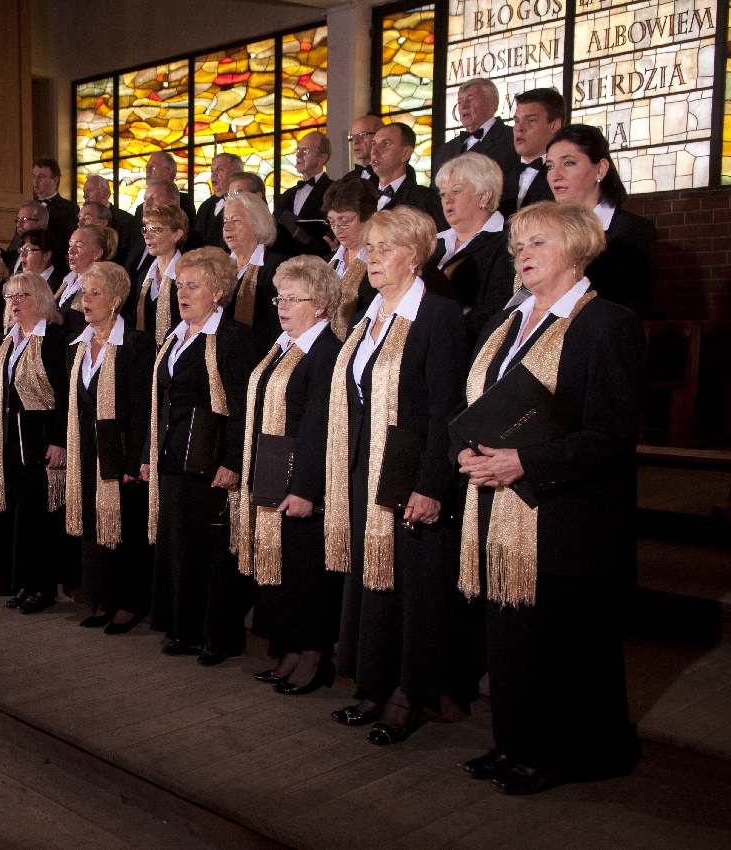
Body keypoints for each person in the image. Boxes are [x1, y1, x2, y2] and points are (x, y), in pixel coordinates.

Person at [455, 201, 643, 795]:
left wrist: (524, 462)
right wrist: (469, 453)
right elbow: (481, 406)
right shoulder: (507, 321)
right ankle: (515, 742)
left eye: (537, 242)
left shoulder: (606, 323)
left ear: (578, 248)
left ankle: (567, 753)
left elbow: (612, 435)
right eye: (517, 245)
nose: (522, 254)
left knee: (561, 640)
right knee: (512, 634)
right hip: (499, 500)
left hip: (568, 511)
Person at [324, 206, 468, 746]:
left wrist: (431, 484)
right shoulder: (370, 313)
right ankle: (373, 684)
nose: (373, 257)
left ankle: (411, 693)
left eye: (386, 247)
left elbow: (446, 410)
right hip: (365, 466)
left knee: (413, 589)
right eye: (371, 247)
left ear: (415, 255)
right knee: (373, 581)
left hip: (411, 469)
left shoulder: (439, 315)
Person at [234, 255, 344, 694]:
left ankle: (314, 655)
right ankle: (290, 648)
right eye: (280, 297)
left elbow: (319, 426)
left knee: (305, 572)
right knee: (282, 569)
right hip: (271, 470)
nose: (282, 306)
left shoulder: (327, 351)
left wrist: (305, 489)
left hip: (303, 479)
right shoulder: (281, 345)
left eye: (293, 299)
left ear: (320, 305)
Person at [143, 247, 256, 664]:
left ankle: (217, 637)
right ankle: (184, 629)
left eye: (193, 286)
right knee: (179, 547)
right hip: (173, 459)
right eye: (179, 286)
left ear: (219, 291)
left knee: (212, 550)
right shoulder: (175, 335)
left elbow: (243, 407)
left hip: (211, 461)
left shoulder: (234, 338)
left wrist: (233, 460)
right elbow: (161, 400)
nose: (182, 294)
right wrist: (148, 453)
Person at [65, 261, 154, 634]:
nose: (86, 300)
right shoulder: (77, 344)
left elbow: (143, 408)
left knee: (126, 528)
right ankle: (100, 597)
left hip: (121, 452)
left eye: (95, 293)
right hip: (85, 450)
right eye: (84, 292)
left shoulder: (136, 344)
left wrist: (135, 461)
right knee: (92, 524)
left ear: (116, 300)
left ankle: (129, 603)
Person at [0, 271, 69, 614]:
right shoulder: (7, 339)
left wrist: (60, 440)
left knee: (39, 519)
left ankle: (43, 588)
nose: (14, 302)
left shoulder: (54, 339)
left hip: (39, 442)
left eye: (23, 296)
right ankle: (23, 582)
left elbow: (65, 395)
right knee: (18, 516)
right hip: (8, 439)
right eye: (10, 297)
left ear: (42, 299)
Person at [545, 123, 655, 315]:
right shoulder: (546, 231)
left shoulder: (632, 230)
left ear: (601, 169)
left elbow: (628, 305)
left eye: (568, 163)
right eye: (550, 166)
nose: (555, 175)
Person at [428, 152, 515, 341]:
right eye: (443, 194)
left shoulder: (508, 244)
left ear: (484, 196)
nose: (447, 200)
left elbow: (495, 312)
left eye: (456, 191)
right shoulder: (432, 242)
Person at [222, 191, 288, 355]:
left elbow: (279, 326)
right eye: (225, 221)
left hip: (261, 356)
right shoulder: (218, 266)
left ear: (257, 224)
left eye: (235, 221)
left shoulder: (277, 268)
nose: (227, 227)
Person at [124, 203, 185, 347]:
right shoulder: (143, 277)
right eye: (146, 229)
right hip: (146, 354)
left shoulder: (187, 275)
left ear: (177, 235)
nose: (147, 235)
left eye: (156, 230)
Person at [322, 176, 379, 325]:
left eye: (344, 221)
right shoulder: (326, 262)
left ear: (369, 217)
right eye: (331, 221)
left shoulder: (379, 265)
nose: (337, 229)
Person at [499, 88, 564, 217]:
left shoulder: (566, 175)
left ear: (554, 125)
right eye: (516, 121)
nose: (519, 128)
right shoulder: (499, 173)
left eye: (531, 120)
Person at [433, 78, 518, 175]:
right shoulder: (445, 151)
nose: (463, 106)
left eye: (470, 99)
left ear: (493, 103)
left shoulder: (514, 139)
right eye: (460, 102)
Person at [371, 123, 446, 230]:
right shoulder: (362, 197)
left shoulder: (426, 200)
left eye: (386, 144)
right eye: (373, 144)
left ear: (405, 153)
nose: (374, 152)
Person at [274, 133, 333, 258]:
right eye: (298, 150)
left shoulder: (334, 190)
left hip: (319, 261)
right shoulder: (286, 195)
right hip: (285, 263)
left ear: (322, 158)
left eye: (305, 151)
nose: (298, 155)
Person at [57, 225, 117, 335]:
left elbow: (79, 328)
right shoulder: (67, 280)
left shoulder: (97, 287)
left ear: (97, 254)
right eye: (70, 245)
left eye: (78, 246)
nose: (71, 251)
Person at [193, 152, 243, 249]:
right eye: (212, 171)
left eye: (220, 170)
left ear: (236, 173)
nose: (213, 175)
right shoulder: (205, 206)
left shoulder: (245, 203)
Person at [83, 173, 136, 264]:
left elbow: (127, 255)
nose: (85, 196)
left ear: (105, 194)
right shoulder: (81, 220)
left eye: (89, 191)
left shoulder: (125, 220)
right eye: (84, 192)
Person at [32, 157, 79, 252]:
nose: (35, 181)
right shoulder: (28, 207)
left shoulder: (69, 208)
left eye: (41, 177)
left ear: (55, 180)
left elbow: (67, 242)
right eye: (33, 176)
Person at [344, 115, 382, 183]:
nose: (355, 142)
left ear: (380, 136)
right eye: (352, 137)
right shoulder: (348, 179)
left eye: (362, 135)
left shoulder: (391, 175)